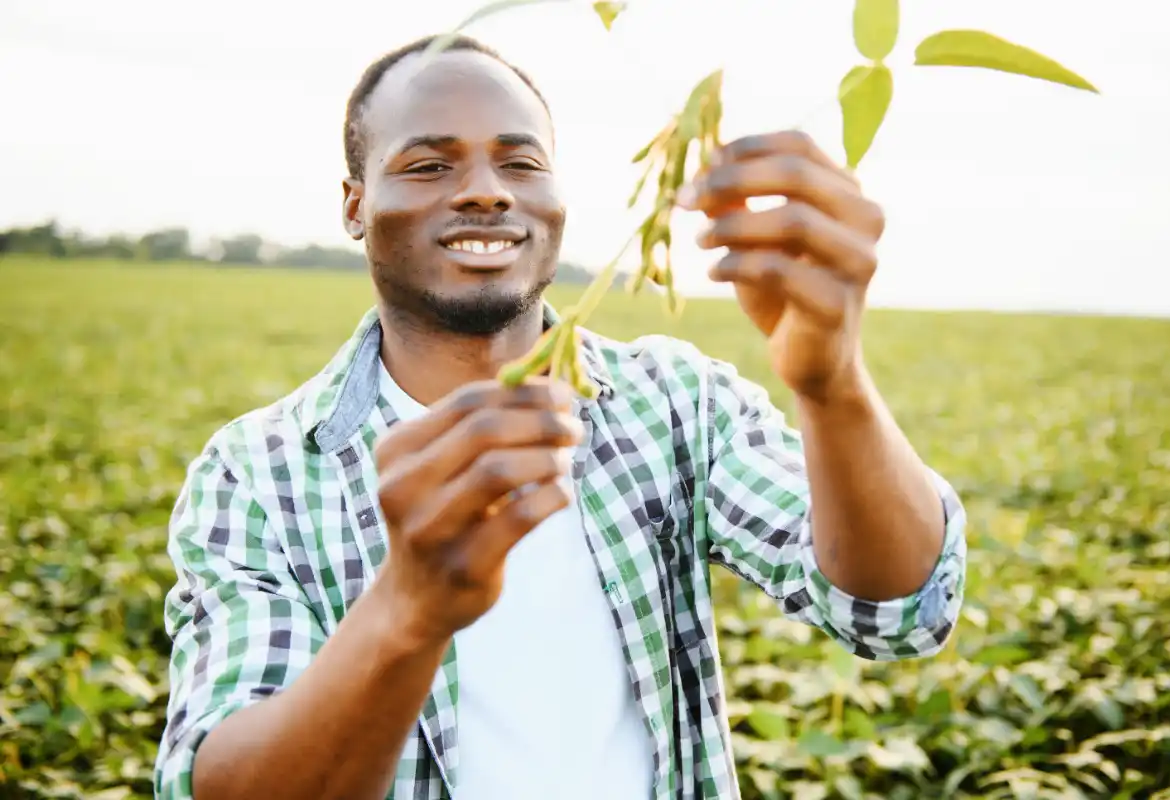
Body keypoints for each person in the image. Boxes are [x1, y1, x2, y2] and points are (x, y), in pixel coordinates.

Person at [153, 33, 967, 800]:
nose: (485, 188)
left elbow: (893, 609)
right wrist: (408, 609)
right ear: (355, 204)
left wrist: (833, 385)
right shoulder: (258, 471)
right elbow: (225, 781)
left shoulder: (674, 401)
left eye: (521, 161)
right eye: (431, 164)